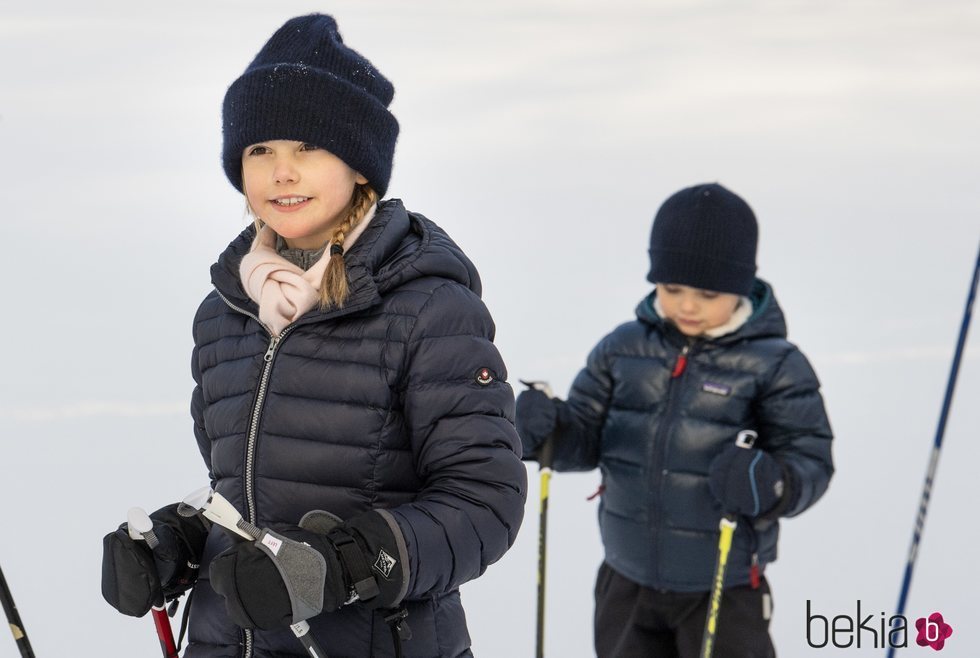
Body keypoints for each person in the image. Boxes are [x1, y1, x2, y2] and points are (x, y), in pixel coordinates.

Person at [101, 14, 527, 657]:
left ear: (360, 166)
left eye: (309, 148)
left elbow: (484, 502)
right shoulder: (226, 315)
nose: (282, 173)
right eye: (260, 150)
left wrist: (345, 564)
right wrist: (178, 544)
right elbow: (242, 490)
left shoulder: (429, 309)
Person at [516, 183, 834, 657]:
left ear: (742, 284)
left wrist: (770, 482)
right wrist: (547, 431)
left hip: (722, 586)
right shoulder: (622, 349)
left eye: (707, 293)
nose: (687, 305)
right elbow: (585, 437)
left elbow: (810, 461)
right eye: (672, 288)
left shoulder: (775, 364)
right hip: (627, 580)